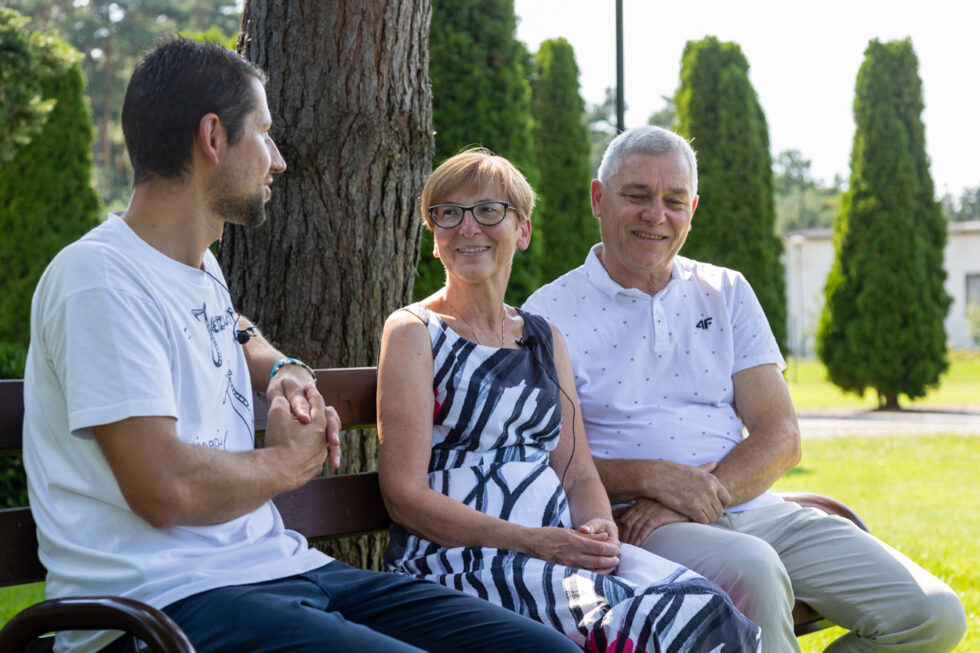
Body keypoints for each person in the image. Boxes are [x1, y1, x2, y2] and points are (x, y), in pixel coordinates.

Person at [22, 36, 585, 653]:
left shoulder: (196, 269)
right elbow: (166, 490)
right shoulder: (97, 280)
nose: (279, 159)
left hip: (278, 569)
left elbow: (231, 327)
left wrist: (280, 367)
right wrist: (289, 464)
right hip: (166, 603)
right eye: (262, 133)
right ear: (213, 139)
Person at [523, 125, 967, 652]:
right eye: (636, 196)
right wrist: (655, 479)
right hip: (640, 529)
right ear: (599, 199)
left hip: (757, 508)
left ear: (693, 208)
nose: (655, 214)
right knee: (755, 572)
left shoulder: (726, 289)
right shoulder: (547, 314)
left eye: (673, 200)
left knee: (934, 615)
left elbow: (781, 436)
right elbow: (544, 460)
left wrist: (693, 498)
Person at [376, 147, 761, 652]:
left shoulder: (543, 336)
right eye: (448, 214)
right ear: (435, 238)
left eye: (489, 211)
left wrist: (598, 527)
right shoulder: (414, 332)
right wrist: (531, 541)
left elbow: (577, 471)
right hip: (462, 558)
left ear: (523, 230)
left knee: (702, 605)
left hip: (557, 550)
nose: (469, 228)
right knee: (646, 626)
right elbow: (403, 496)